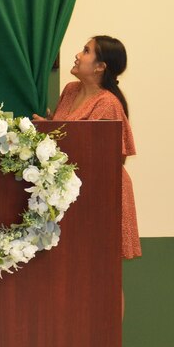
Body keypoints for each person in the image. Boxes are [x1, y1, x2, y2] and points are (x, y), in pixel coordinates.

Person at [44, 35, 141, 262]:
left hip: (102, 195)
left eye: (86, 51)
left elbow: (113, 157)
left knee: (104, 274)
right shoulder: (70, 90)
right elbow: (69, 134)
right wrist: (48, 128)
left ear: (100, 67)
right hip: (74, 193)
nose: (78, 55)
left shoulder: (108, 103)